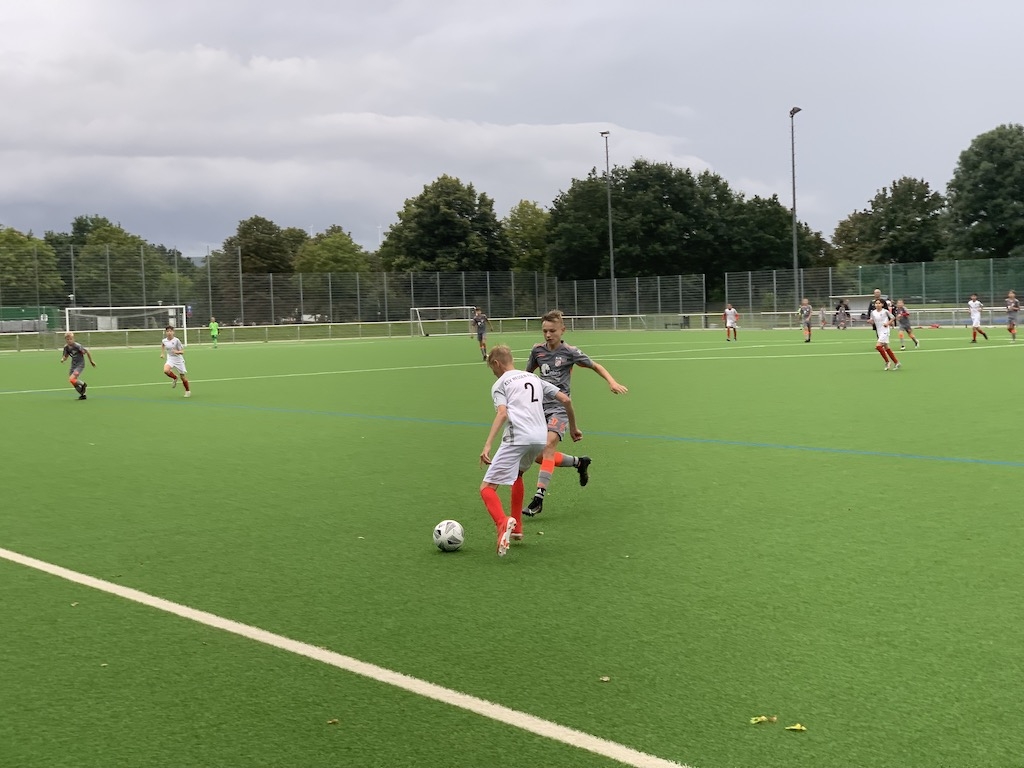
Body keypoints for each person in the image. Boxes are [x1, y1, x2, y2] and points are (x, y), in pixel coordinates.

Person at [523, 309, 628, 517]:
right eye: (545, 331)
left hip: (560, 408)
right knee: (539, 457)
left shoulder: (570, 352)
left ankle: (538, 498)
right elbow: (527, 376)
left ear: (562, 330)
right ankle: (579, 462)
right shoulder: (537, 351)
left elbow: (596, 366)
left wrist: (612, 382)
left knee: (549, 446)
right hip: (539, 408)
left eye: (552, 331)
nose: (548, 335)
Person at [479, 345, 576, 556]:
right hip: (540, 437)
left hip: (518, 438)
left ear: (496, 363)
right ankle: (517, 528)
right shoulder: (534, 379)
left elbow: (502, 413)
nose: (493, 372)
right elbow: (566, 399)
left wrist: (487, 444)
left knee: (487, 488)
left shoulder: (500, 384)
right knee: (518, 475)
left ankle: (502, 523)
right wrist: (573, 428)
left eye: (492, 368)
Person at [60, 332, 96, 400]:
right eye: (67, 339)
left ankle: (83, 384)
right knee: (72, 381)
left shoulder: (77, 346)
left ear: (73, 339)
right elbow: (66, 356)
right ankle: (83, 395)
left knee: (72, 379)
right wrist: (63, 359)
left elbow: (86, 352)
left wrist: (91, 361)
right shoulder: (66, 347)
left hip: (80, 365)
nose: (69, 340)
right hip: (73, 365)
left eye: (70, 339)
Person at [160, 325, 192, 397]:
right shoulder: (164, 340)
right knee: (166, 370)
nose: (169, 333)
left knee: (182, 377)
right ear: (165, 332)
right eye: (167, 331)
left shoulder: (176, 340)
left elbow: (182, 351)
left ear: (173, 332)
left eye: (170, 331)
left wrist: (177, 352)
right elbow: (163, 345)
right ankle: (175, 377)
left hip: (178, 360)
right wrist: (162, 353)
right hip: (170, 358)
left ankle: (187, 391)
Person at [870, 299, 900, 371]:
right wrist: (870, 321)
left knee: (878, 346)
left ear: (882, 304)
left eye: (879, 303)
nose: (877, 305)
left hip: (885, 330)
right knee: (886, 347)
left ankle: (887, 362)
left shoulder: (885, 311)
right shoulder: (873, 312)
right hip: (879, 331)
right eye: (876, 303)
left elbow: (893, 317)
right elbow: (872, 320)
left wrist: (887, 323)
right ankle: (896, 362)